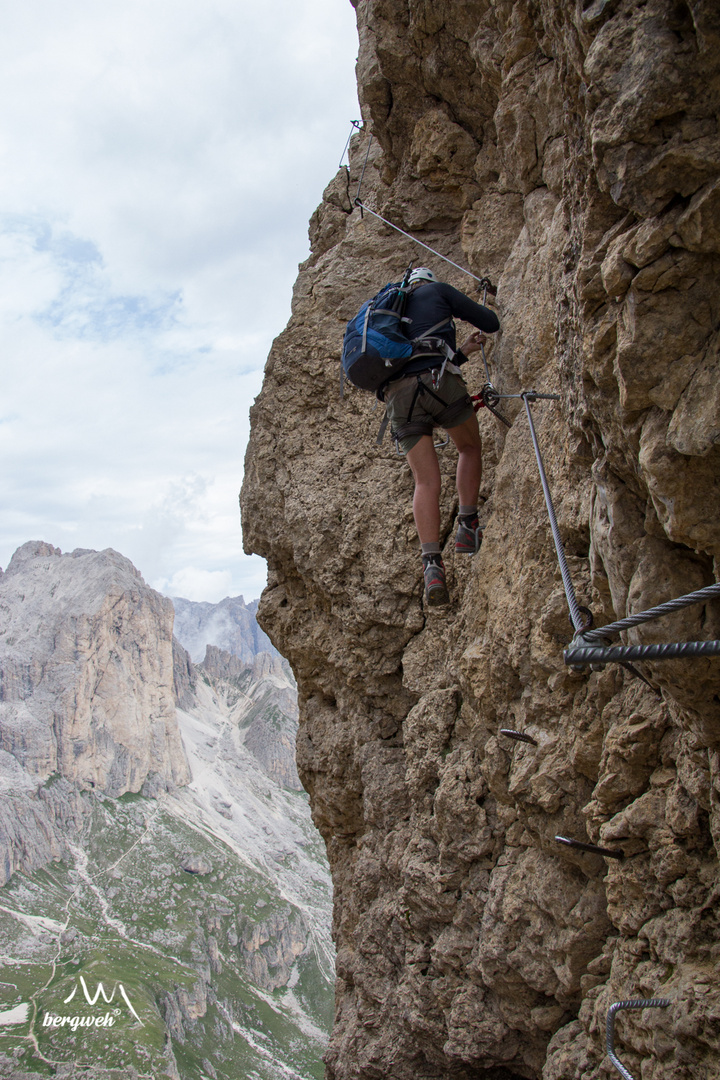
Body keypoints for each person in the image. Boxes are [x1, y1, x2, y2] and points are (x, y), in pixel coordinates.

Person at [382, 267, 500, 605]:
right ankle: (467, 524)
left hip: (399, 399)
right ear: (429, 282)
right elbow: (490, 322)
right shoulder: (439, 292)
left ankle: (432, 564)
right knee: (468, 447)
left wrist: (461, 351)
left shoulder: (392, 311)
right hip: (439, 383)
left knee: (425, 482)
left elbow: (414, 357)